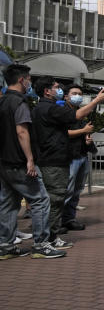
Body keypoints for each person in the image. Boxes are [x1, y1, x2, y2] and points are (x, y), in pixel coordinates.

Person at [32, 76, 104, 249]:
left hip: (55, 158)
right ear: (47, 91)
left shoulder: (42, 108)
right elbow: (77, 115)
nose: (59, 90)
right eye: (56, 87)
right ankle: (48, 238)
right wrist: (96, 100)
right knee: (57, 198)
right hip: (53, 160)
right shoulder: (50, 108)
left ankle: (51, 235)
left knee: (61, 196)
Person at [0, 64, 64, 259]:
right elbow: (22, 131)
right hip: (20, 161)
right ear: (21, 80)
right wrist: (29, 159)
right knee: (41, 200)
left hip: (4, 162)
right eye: (28, 79)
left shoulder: (2, 101)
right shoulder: (19, 102)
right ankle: (41, 244)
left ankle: (6, 245)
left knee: (8, 203)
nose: (30, 83)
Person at [61, 84, 98, 232]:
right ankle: (57, 221)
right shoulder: (62, 112)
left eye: (80, 94)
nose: (78, 96)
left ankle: (69, 218)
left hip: (82, 155)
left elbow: (84, 132)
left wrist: (86, 138)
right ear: (66, 96)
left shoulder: (80, 113)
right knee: (67, 190)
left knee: (76, 191)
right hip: (70, 156)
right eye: (74, 93)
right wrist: (83, 131)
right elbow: (64, 132)